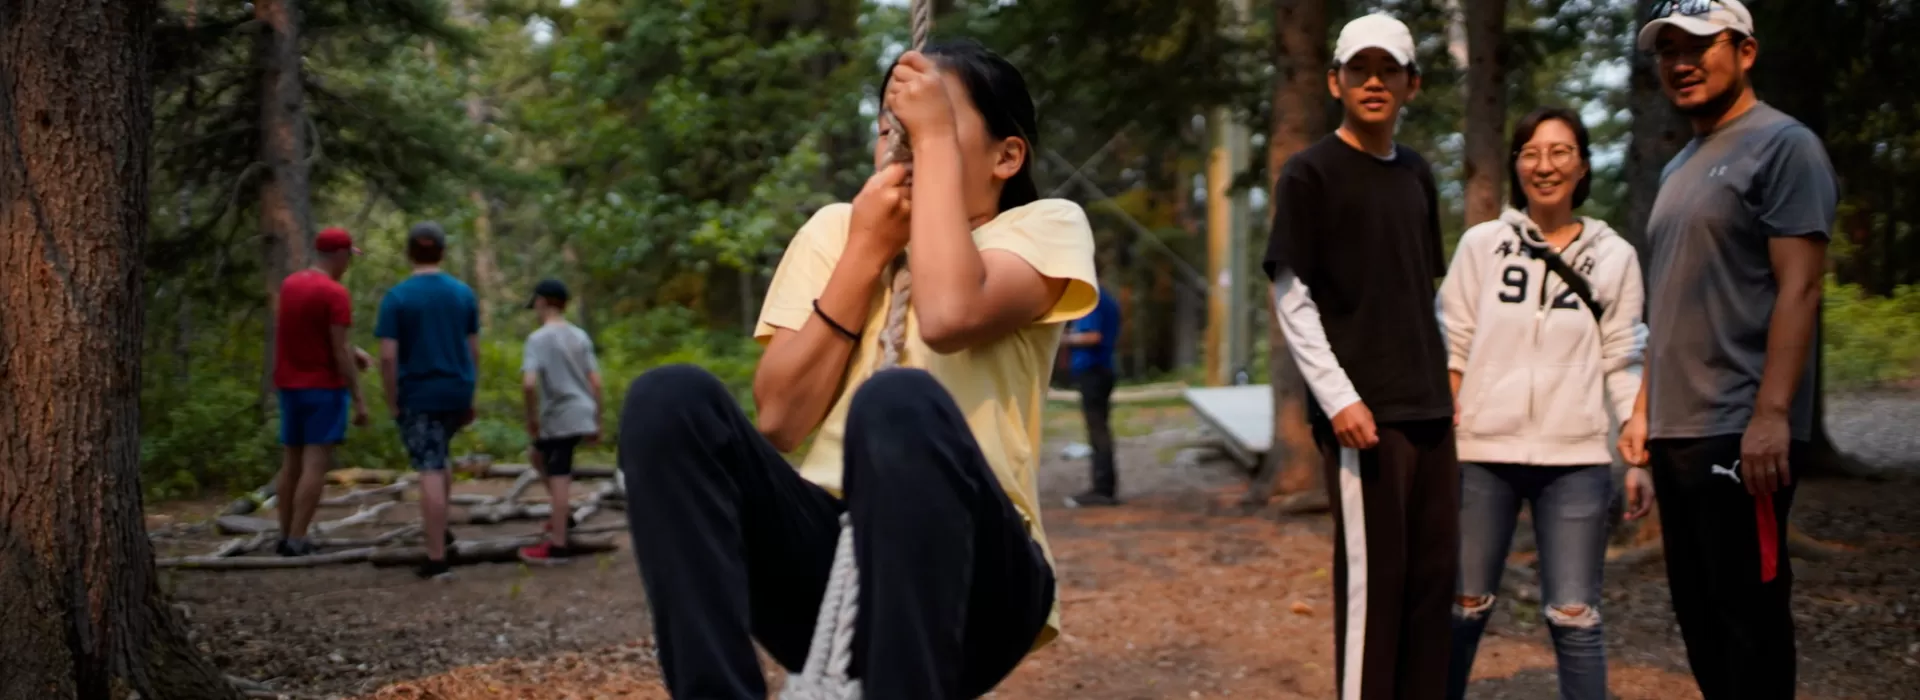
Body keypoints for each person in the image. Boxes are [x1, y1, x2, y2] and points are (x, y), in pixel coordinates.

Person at [617, 39, 1097, 699]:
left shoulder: (1041, 227)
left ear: (1006, 157)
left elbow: (950, 314)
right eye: (890, 132)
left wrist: (927, 147)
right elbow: (781, 419)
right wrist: (866, 251)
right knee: (666, 399)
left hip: (980, 578)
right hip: (825, 564)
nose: (903, 148)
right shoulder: (838, 233)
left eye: (936, 129)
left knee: (899, 402)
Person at [1620, 3, 1837, 697]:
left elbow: (1799, 288)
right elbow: (1670, 302)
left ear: (1745, 51)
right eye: (1667, 50)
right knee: (1700, 617)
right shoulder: (1680, 164)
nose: (1680, 62)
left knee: (1751, 619)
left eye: (1699, 45)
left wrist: (1772, 414)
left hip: (1742, 432)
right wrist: (1644, 410)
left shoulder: (1783, 145)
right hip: (1678, 430)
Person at [1263, 13, 1458, 699]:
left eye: (1389, 71)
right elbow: (1293, 295)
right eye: (1360, 70)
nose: (1374, 82)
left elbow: (1418, 291)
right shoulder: (1310, 174)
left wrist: (1450, 382)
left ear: (1413, 84)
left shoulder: (1418, 175)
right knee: (1374, 595)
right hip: (1365, 417)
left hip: (1432, 410)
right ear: (1335, 81)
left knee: (1433, 589)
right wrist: (1339, 398)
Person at [1437, 108, 1656, 700]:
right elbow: (1453, 345)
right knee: (1463, 606)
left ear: (1582, 165)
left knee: (1574, 613)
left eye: (1560, 152)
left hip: (1576, 458)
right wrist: (1444, 444)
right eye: (1531, 152)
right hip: (1483, 452)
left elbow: (1622, 357)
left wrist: (1636, 450)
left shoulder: (1616, 257)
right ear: (1516, 166)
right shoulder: (1483, 245)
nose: (1545, 165)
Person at [375, 221, 482, 581]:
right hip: (455, 389)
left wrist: (391, 399)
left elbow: (388, 356)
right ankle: (443, 530)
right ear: (443, 251)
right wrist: (470, 391)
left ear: (409, 253)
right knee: (440, 456)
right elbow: (473, 349)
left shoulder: (398, 298)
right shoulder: (463, 294)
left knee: (429, 467)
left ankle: (435, 557)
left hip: (419, 392)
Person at [270, 227, 372, 557]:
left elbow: (310, 334)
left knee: (291, 462)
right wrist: (359, 398)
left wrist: (351, 351)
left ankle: (284, 534)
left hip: (289, 385)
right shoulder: (334, 293)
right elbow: (337, 348)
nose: (349, 265)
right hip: (323, 388)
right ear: (340, 256)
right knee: (315, 464)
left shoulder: (290, 285)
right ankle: (299, 539)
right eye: (349, 258)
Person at [517, 278, 602, 566]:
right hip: (582, 409)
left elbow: (529, 384)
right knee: (537, 455)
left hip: (559, 414)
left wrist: (531, 418)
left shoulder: (537, 339)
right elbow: (595, 381)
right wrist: (597, 419)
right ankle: (562, 517)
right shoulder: (580, 336)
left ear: (541, 302)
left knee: (559, 471)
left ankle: (558, 545)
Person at [1063, 285, 1122, 508]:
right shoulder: (1107, 298)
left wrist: (1063, 339)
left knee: (1097, 430)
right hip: (1102, 370)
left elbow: (1092, 336)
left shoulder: (1091, 299)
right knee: (1100, 429)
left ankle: (1103, 489)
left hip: (1093, 371)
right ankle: (1103, 485)